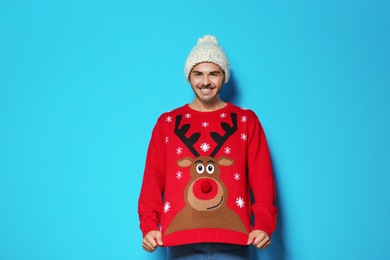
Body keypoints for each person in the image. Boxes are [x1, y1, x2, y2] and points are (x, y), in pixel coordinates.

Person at [138, 35, 278, 259]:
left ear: (224, 77)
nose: (205, 81)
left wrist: (263, 224)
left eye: (213, 73)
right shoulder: (167, 123)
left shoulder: (246, 121)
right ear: (189, 77)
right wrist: (149, 225)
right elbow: (152, 180)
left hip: (235, 241)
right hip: (180, 242)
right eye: (198, 74)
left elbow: (262, 178)